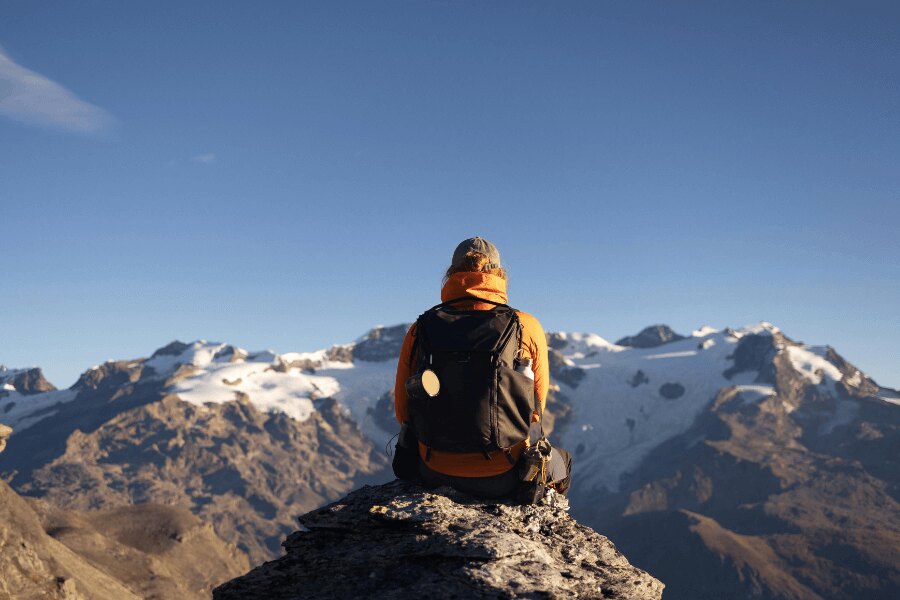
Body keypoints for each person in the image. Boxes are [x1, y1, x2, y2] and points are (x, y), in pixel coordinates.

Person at [393, 236, 571, 500]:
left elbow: (403, 410)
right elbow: (535, 411)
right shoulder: (525, 326)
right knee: (561, 462)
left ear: (451, 274)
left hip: (432, 471)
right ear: (499, 274)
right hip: (503, 476)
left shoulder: (422, 327)